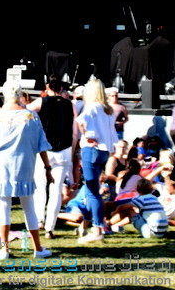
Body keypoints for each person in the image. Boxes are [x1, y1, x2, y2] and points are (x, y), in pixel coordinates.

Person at [0, 80, 53, 260]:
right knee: (29, 207)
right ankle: (37, 247)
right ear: (20, 94)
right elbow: (41, 144)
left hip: (1, 166)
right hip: (25, 165)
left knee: (4, 207)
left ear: (4, 94)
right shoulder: (31, 116)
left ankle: (5, 249)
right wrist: (47, 167)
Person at [27, 77, 74, 239]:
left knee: (40, 186)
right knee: (56, 190)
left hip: (45, 150)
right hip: (64, 149)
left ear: (47, 87)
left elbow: (25, 111)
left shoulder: (42, 102)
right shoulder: (69, 105)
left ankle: (40, 219)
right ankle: (50, 227)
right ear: (61, 88)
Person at [75, 77, 117, 244]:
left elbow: (80, 121)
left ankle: (97, 228)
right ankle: (91, 224)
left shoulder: (91, 107)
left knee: (92, 191)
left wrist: (86, 135)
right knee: (92, 189)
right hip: (104, 150)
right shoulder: (108, 109)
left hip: (92, 149)